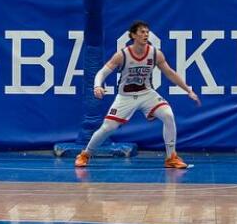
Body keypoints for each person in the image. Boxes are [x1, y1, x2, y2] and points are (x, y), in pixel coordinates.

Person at [74, 21, 201, 169]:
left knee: (168, 115)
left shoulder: (155, 54)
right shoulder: (122, 55)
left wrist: (189, 90)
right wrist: (97, 86)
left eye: (147, 32)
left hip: (147, 93)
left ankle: (171, 157)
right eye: (142, 32)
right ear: (133, 35)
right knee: (108, 128)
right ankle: (85, 154)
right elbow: (102, 72)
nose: (145, 34)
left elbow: (170, 73)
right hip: (125, 97)